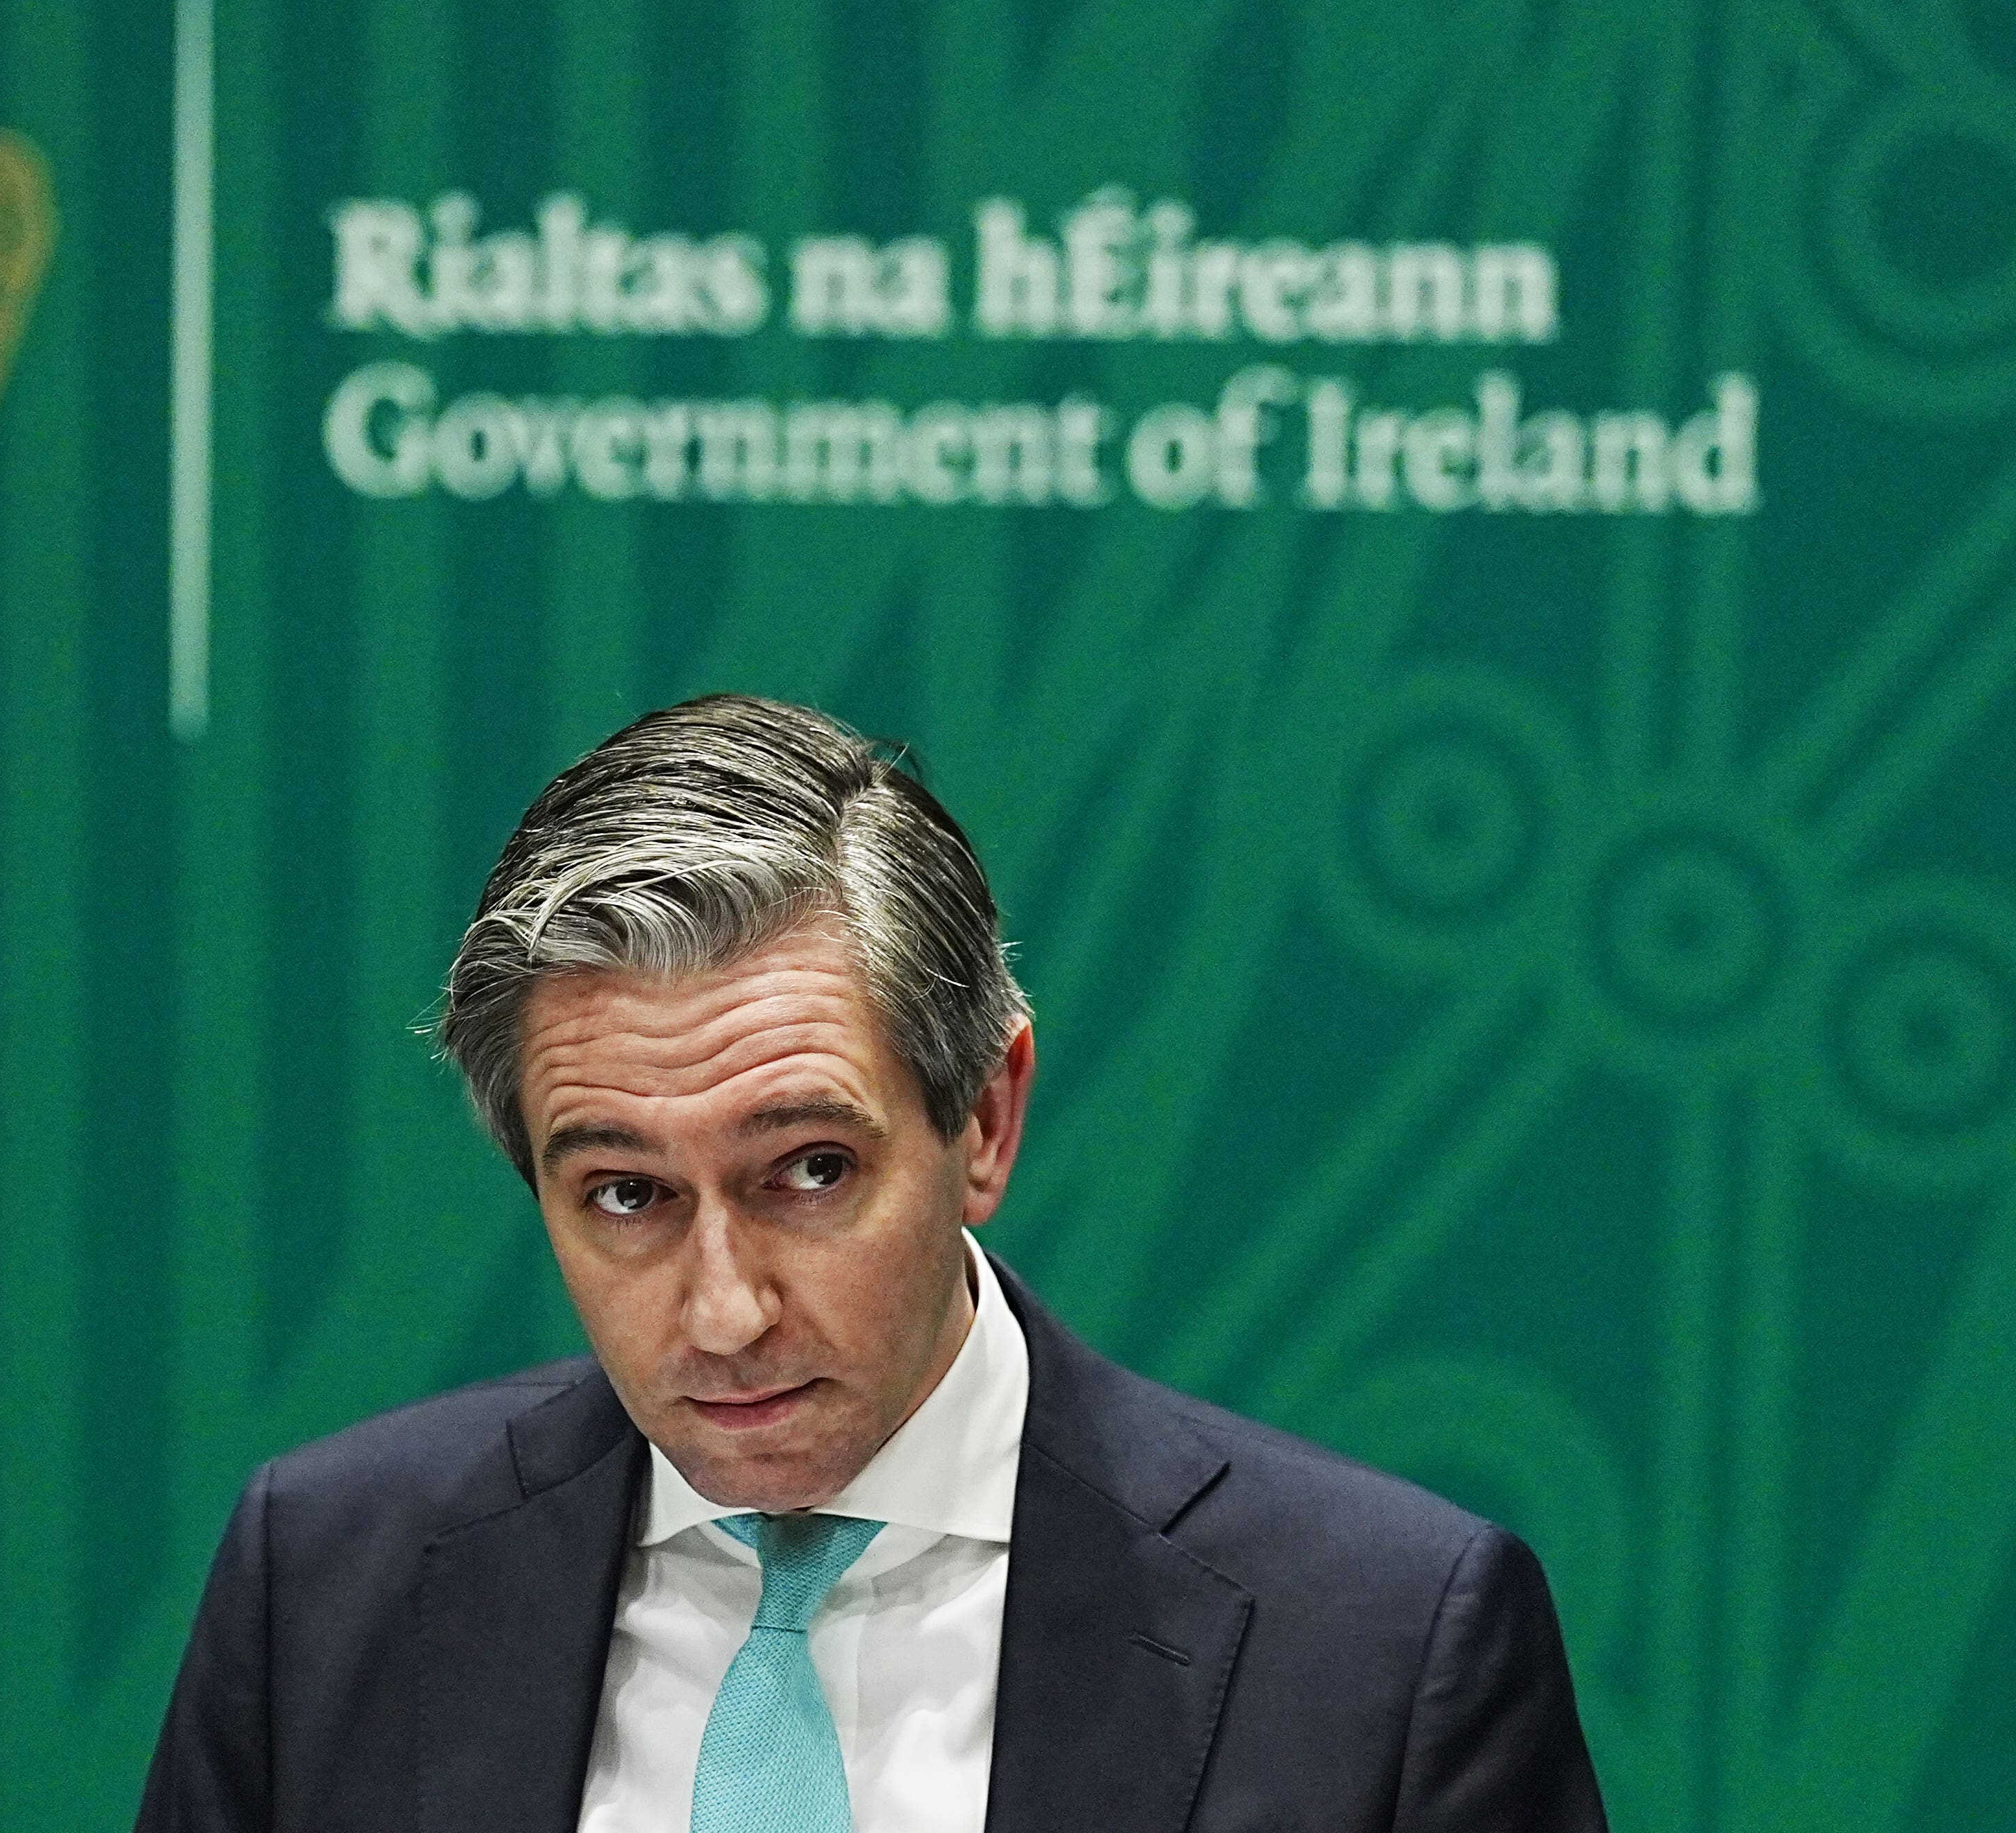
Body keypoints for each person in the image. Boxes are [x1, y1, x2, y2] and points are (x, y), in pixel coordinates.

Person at [136, 695, 1608, 1832]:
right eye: (626, 1194)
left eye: (811, 1169)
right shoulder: (328, 1583)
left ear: (984, 1114)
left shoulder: (1387, 1647)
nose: (724, 1310)